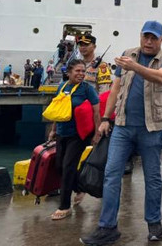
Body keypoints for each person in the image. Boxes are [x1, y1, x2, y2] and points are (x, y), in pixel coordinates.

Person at [80, 20, 162, 245]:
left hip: (151, 129)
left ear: (161, 40)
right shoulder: (127, 54)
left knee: (152, 178)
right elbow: (115, 88)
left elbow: (161, 77)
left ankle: (154, 224)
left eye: (154, 38)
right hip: (122, 126)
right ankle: (107, 227)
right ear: (140, 36)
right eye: (146, 36)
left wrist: (134, 67)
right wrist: (105, 118)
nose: (149, 41)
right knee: (111, 175)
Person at [48, 59, 100, 221]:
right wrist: (53, 130)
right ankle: (79, 187)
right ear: (68, 72)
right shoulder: (62, 87)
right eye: (77, 71)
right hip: (62, 133)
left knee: (68, 166)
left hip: (78, 135)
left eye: (83, 71)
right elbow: (57, 109)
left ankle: (64, 207)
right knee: (59, 167)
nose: (81, 74)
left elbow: (96, 112)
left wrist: (97, 133)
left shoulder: (87, 89)